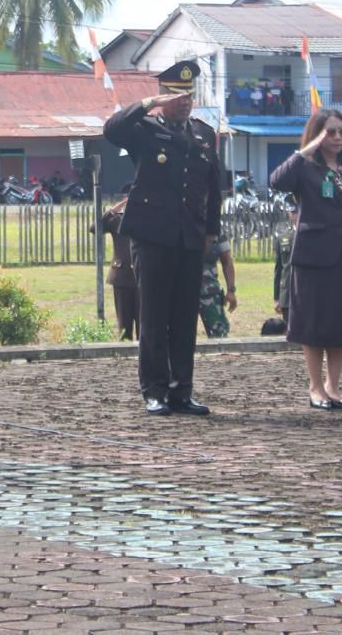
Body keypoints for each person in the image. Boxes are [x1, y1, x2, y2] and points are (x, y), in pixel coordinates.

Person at [103, 59, 222, 416]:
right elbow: (112, 129)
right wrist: (147, 104)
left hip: (189, 235)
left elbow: (213, 189)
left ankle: (180, 390)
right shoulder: (144, 129)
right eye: (175, 94)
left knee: (185, 316)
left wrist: (211, 234)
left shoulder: (203, 134)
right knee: (154, 316)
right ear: (162, 95)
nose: (183, 100)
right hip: (152, 235)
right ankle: (154, 390)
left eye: (188, 94)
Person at [269, 107, 342, 411]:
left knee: (340, 324)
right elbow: (277, 181)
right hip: (313, 257)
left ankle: (333, 386)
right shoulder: (305, 167)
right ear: (318, 134)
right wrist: (307, 150)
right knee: (314, 324)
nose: (338, 137)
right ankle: (315, 387)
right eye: (331, 131)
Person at [98, 192, 137, 341]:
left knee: (144, 321)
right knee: (124, 322)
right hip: (121, 276)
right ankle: (125, 351)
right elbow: (95, 227)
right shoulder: (116, 220)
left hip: (141, 276)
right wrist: (114, 208)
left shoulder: (145, 218)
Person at [198, 232, 238, 338]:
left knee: (219, 334)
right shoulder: (177, 225)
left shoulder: (215, 231)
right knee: (178, 336)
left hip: (210, 293)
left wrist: (231, 291)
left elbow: (227, 261)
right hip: (181, 293)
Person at [271, 198, 298, 329]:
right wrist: (276, 297)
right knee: (289, 329)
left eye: (297, 211)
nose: (295, 215)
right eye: (293, 212)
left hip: (307, 291)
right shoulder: (283, 237)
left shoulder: (312, 236)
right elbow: (279, 269)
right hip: (287, 292)